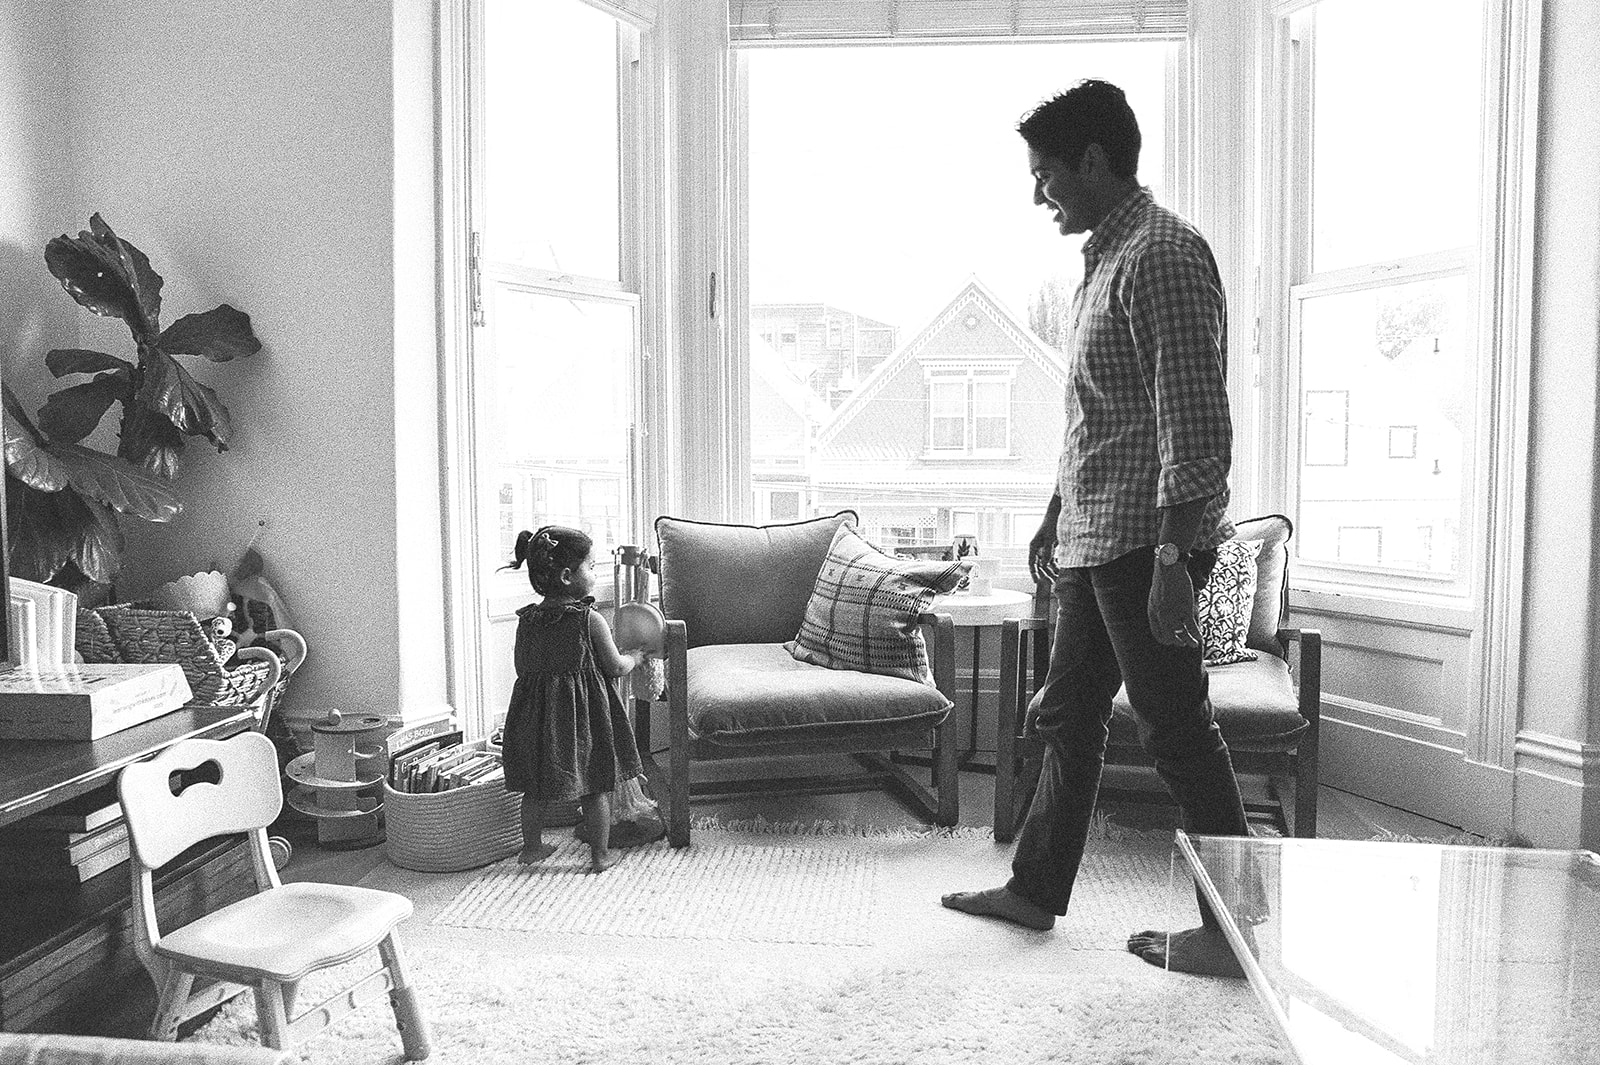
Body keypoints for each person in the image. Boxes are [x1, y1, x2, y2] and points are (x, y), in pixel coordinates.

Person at [941, 79, 1251, 977]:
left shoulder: (1163, 255)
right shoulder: (1107, 259)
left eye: (1047, 175)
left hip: (1141, 546)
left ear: (1095, 160)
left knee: (1178, 732)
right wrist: (1053, 508)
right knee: (1067, 714)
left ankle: (1235, 932)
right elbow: (1105, 414)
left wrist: (1170, 560)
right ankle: (1036, 889)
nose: (1039, 195)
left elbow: (1192, 432)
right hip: (1093, 535)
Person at [501, 525, 647, 873]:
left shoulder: (528, 620)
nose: (595, 575)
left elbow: (523, 667)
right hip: (583, 719)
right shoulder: (589, 620)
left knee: (534, 789)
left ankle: (532, 848)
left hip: (536, 718)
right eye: (591, 567)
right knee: (595, 786)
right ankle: (600, 856)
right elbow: (614, 667)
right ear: (568, 576)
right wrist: (636, 658)